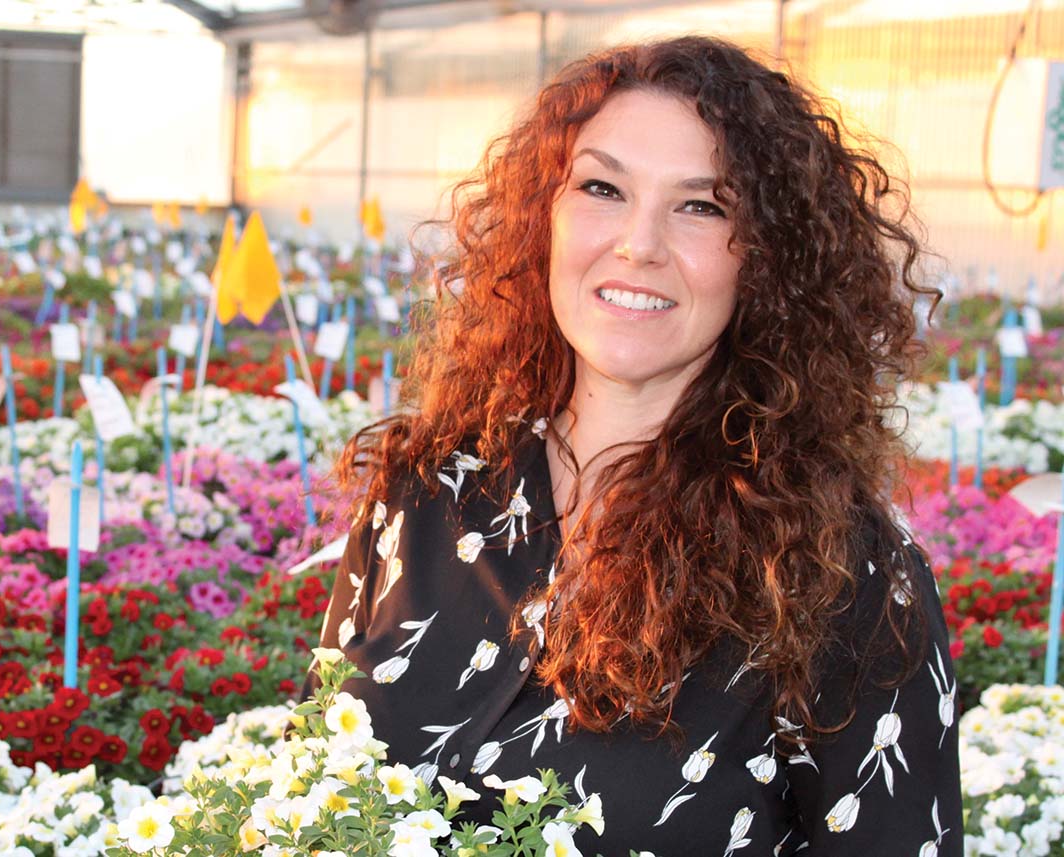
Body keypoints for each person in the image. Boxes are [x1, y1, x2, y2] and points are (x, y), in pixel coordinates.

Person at [309, 35, 963, 855]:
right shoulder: (425, 491)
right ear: (542, 217)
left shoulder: (841, 573)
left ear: (767, 256)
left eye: (703, 205)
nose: (638, 244)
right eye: (602, 187)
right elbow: (314, 787)